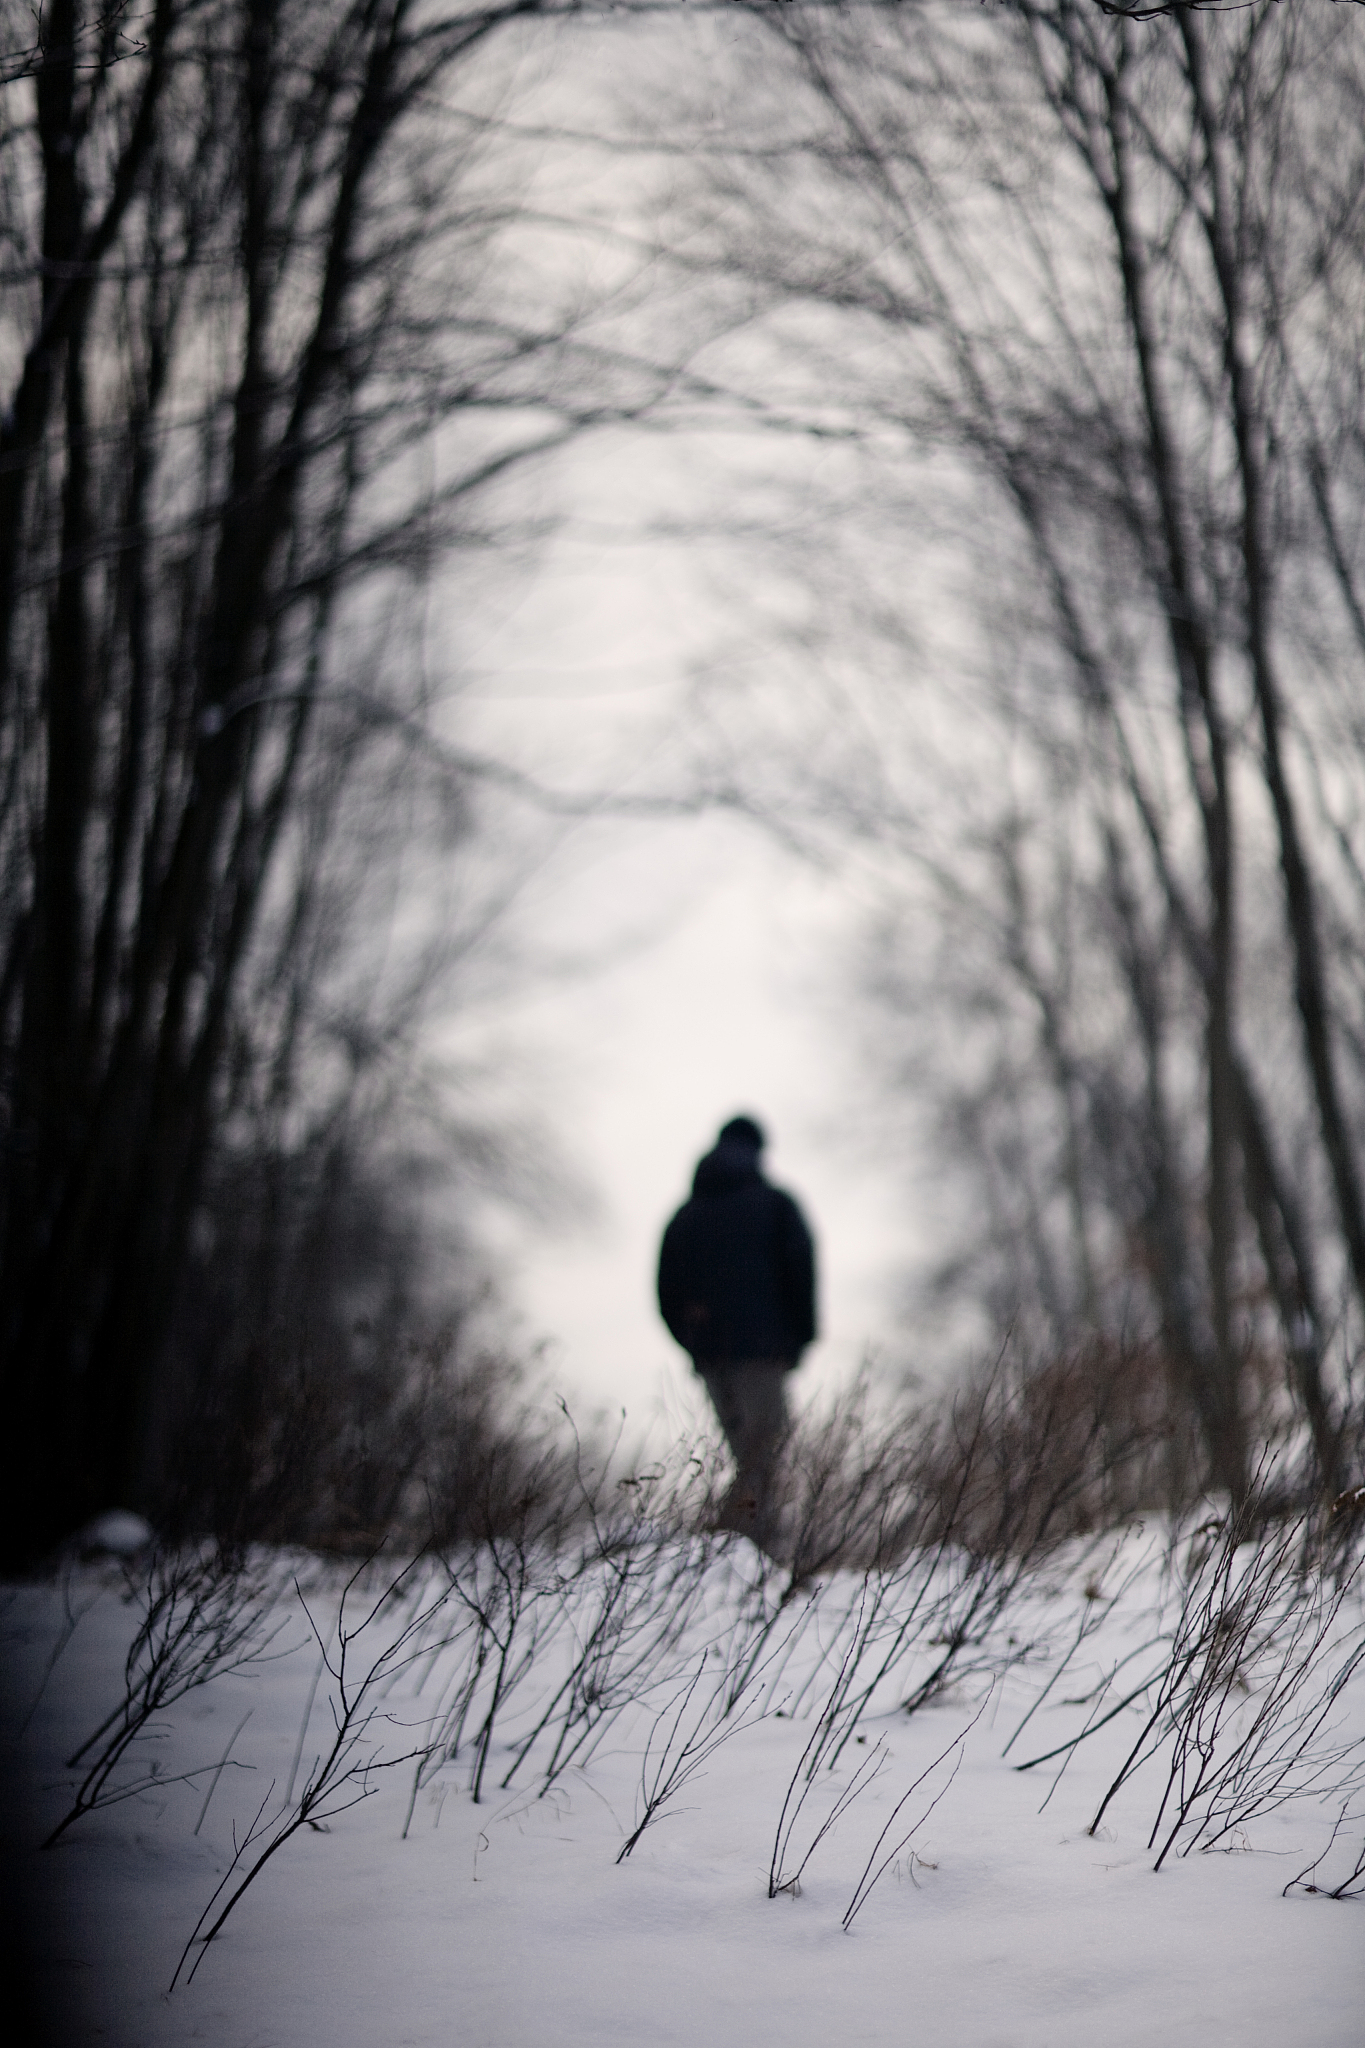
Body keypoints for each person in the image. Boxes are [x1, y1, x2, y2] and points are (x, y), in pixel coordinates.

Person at [657, 1115, 817, 1538]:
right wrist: (799, 1338)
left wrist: (694, 1344)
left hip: (712, 1358)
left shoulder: (686, 1216)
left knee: (748, 1460)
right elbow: (801, 1271)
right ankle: (739, 1549)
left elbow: (667, 1292)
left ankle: (732, 1549)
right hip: (764, 1354)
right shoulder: (776, 1206)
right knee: (763, 1458)